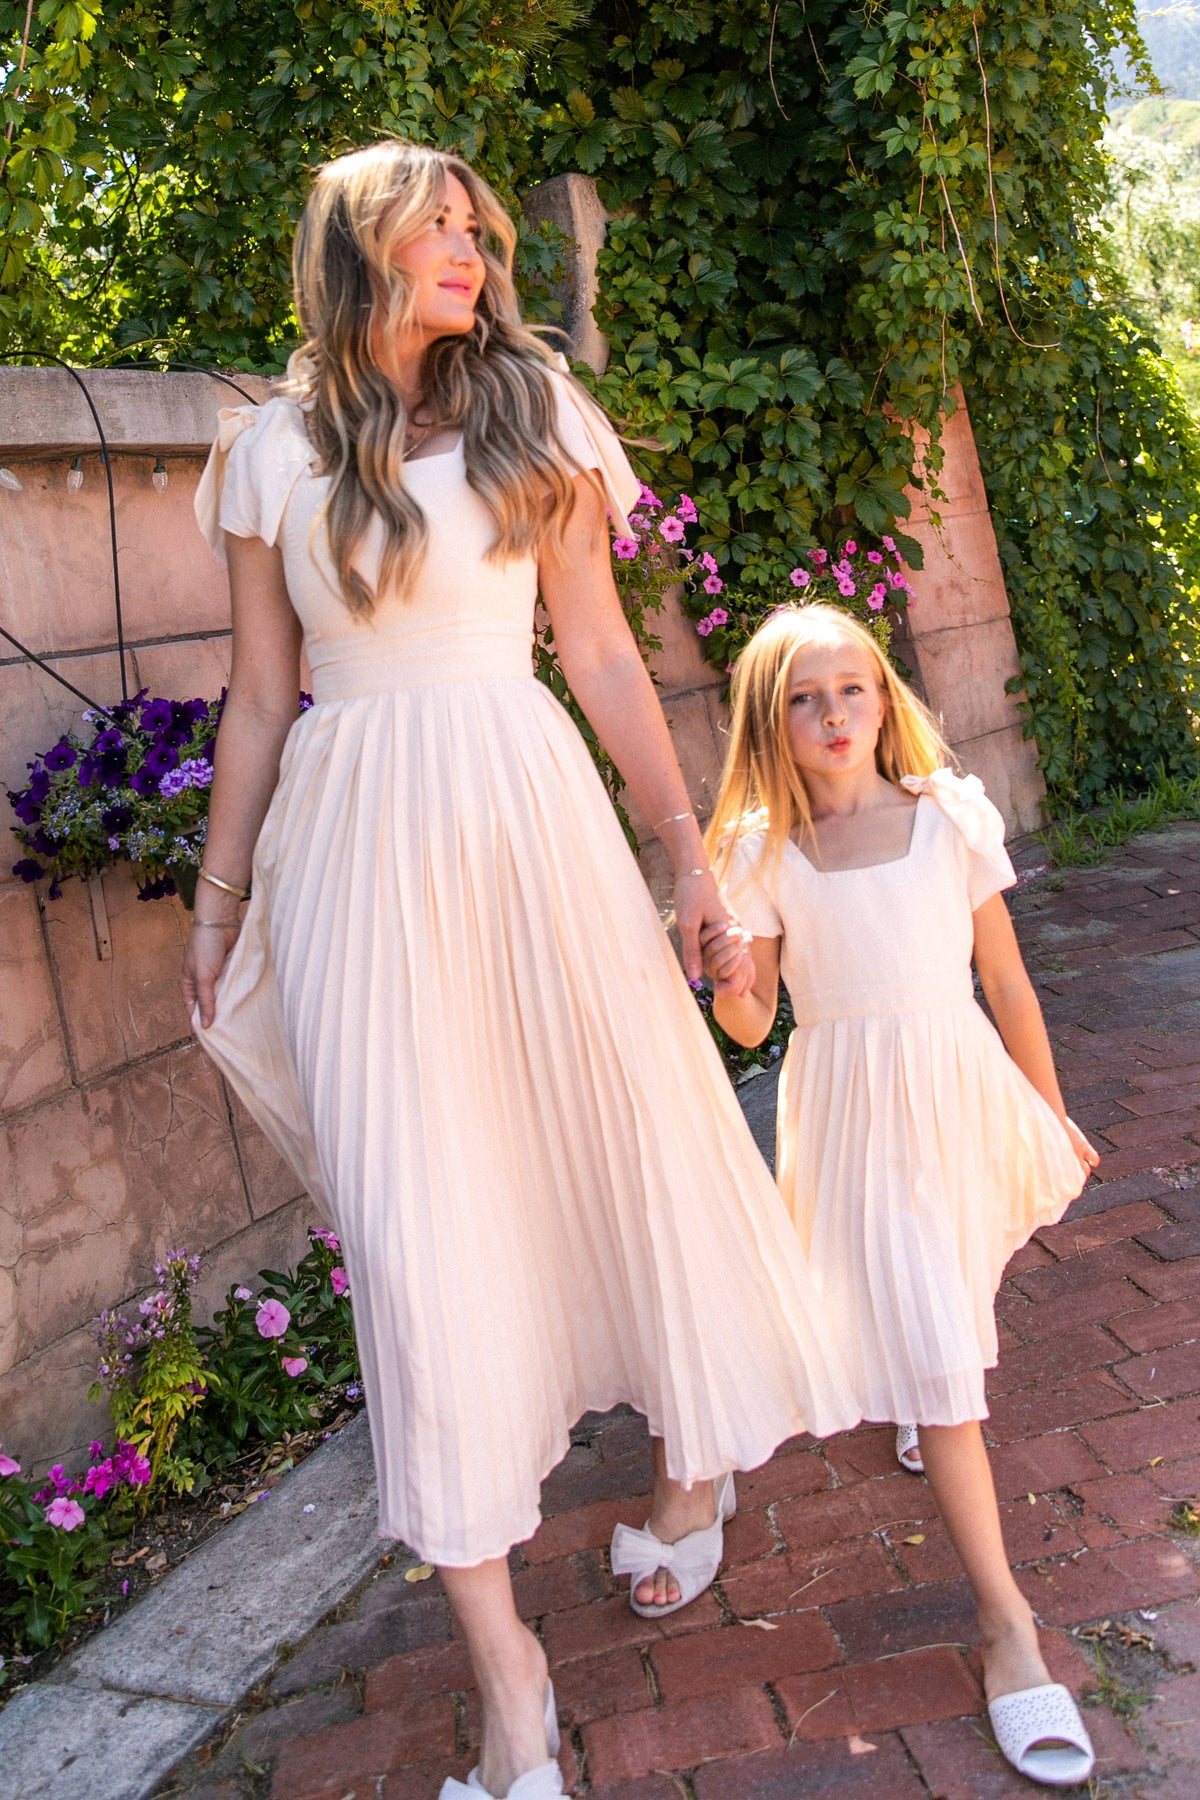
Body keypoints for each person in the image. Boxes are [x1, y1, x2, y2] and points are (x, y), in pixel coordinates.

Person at [182, 143, 856, 1800]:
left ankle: (697, 1461)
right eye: (435, 229)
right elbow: (261, 697)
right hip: (353, 857)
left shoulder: (531, 410)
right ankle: (509, 1681)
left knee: (630, 1142)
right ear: (357, 252)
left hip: (526, 816)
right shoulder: (268, 453)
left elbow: (603, 652)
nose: (469, 251)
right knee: (414, 1234)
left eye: (475, 229)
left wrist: (688, 857)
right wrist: (217, 905)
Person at [700, 603, 1100, 1790]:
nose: (833, 716)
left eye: (851, 690)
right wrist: (726, 972)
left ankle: (933, 1394)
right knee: (937, 1350)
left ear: (884, 699)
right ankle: (1008, 1628)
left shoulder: (946, 817)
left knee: (952, 1276)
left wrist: (1050, 1109)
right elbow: (753, 1023)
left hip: (955, 1083)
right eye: (804, 699)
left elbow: (1006, 980)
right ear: (771, 721)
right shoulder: (765, 853)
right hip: (852, 1108)